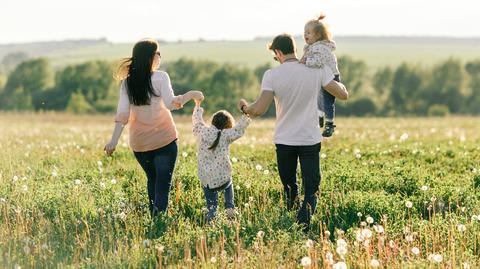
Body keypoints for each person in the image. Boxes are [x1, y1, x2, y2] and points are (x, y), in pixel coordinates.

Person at [238, 34, 348, 230]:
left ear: (278, 52)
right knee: (311, 189)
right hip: (310, 139)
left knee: (290, 188)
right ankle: (303, 225)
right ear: (294, 49)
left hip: (285, 141)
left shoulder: (271, 75)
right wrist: (337, 80)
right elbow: (342, 94)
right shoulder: (318, 70)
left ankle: (295, 226)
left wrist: (245, 108)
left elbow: (259, 109)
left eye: (275, 56)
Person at [104, 38, 204, 217]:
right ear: (150, 57)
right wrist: (191, 94)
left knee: (153, 180)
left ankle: (154, 218)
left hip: (140, 144)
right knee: (162, 186)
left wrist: (113, 141)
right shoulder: (160, 77)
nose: (160, 56)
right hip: (164, 139)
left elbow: (122, 115)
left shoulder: (127, 83)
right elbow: (171, 104)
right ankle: (158, 223)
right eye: (158, 53)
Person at [192, 98, 251, 222]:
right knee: (229, 183)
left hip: (207, 178)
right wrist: (245, 113)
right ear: (228, 126)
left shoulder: (203, 131)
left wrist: (198, 105)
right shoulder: (226, 135)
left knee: (212, 206)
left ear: (212, 121)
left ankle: (211, 217)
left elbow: (197, 122)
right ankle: (229, 207)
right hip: (223, 177)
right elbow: (239, 129)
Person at [301, 14, 341, 137]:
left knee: (328, 101)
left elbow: (318, 62)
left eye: (308, 33)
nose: (305, 35)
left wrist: (305, 62)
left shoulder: (321, 48)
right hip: (321, 77)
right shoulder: (312, 47)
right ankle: (319, 117)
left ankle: (329, 124)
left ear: (318, 35)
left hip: (331, 78)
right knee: (318, 98)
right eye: (304, 32)